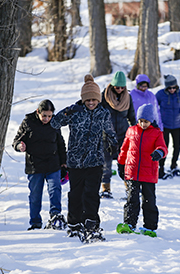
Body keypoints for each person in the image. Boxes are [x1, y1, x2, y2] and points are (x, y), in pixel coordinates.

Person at [51, 74, 117, 242]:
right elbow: (54, 123)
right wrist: (67, 112)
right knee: (76, 194)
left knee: (92, 194)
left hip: (95, 161)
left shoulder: (103, 113)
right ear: (83, 100)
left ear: (98, 99)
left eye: (94, 100)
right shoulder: (75, 111)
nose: (91, 103)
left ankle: (91, 224)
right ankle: (74, 224)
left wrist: (113, 143)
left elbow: (110, 131)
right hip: (75, 161)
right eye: (88, 100)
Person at [12, 99, 67, 231]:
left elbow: (61, 144)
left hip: (53, 164)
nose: (47, 119)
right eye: (44, 116)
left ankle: (55, 217)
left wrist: (64, 164)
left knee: (55, 191)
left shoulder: (55, 123)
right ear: (38, 112)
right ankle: (35, 222)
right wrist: (20, 146)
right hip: (34, 165)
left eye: (49, 115)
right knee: (35, 195)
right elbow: (16, 141)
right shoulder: (28, 122)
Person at [117, 104, 168, 237]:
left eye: (146, 121)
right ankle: (129, 223)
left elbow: (163, 147)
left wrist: (159, 152)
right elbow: (124, 149)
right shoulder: (131, 130)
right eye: (141, 121)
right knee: (132, 199)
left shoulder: (157, 133)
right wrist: (121, 164)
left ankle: (150, 226)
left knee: (149, 201)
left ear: (151, 120)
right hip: (132, 172)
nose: (143, 124)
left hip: (148, 173)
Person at [100, 71, 136, 198]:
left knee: (126, 163)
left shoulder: (128, 97)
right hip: (107, 135)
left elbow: (132, 116)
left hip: (123, 136)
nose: (120, 89)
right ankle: (106, 188)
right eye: (117, 87)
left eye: (122, 87)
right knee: (106, 164)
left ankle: (129, 188)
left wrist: (136, 132)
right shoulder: (104, 96)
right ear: (112, 85)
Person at [156, 74, 180, 179]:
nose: (172, 89)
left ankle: (174, 164)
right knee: (164, 147)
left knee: (177, 146)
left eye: (174, 87)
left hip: (177, 125)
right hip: (164, 126)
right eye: (170, 88)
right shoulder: (160, 94)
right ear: (166, 87)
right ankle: (161, 167)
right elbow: (154, 107)